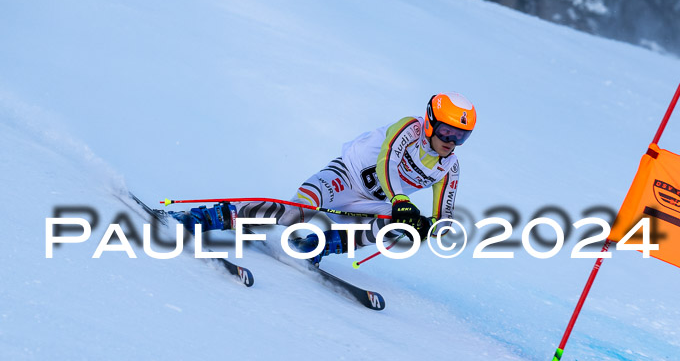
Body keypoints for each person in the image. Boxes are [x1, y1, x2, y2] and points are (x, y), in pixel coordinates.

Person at [170, 92, 476, 265]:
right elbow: (386, 161)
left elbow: (444, 220)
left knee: (399, 225)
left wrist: (427, 227)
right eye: (448, 132)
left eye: (461, 136)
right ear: (430, 123)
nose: (451, 141)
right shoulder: (409, 128)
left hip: (371, 202)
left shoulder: (450, 167)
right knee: (295, 213)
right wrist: (400, 199)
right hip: (344, 176)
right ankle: (209, 217)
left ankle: (316, 246)